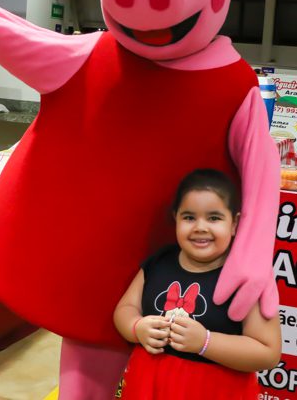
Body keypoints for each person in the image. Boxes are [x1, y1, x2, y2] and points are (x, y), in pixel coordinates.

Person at [113, 169, 282, 399]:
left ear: (234, 223)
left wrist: (205, 342)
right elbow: (125, 309)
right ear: (176, 218)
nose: (200, 227)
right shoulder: (159, 262)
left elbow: (268, 352)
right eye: (189, 217)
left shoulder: (247, 276)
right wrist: (137, 327)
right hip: (148, 387)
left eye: (214, 218)